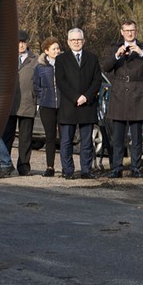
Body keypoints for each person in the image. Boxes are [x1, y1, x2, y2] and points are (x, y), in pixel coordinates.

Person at [101, 20, 143, 179]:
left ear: (136, 31)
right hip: (119, 94)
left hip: (137, 93)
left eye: (132, 30)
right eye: (126, 30)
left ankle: (135, 167)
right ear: (122, 32)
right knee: (118, 137)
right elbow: (105, 67)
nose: (129, 33)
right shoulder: (115, 47)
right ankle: (116, 167)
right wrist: (116, 55)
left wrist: (142, 53)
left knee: (136, 136)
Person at [55, 28, 102, 179]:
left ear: (84, 41)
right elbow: (61, 81)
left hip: (87, 106)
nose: (76, 42)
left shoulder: (92, 58)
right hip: (69, 106)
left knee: (87, 142)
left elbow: (97, 81)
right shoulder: (61, 59)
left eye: (79, 39)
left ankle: (86, 170)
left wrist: (86, 97)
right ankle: (67, 170)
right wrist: (76, 97)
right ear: (68, 42)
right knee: (66, 141)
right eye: (73, 40)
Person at [1, 30, 38, 176]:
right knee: (7, 136)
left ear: (27, 43)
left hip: (28, 102)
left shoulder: (35, 59)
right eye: (18, 42)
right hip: (9, 104)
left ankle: (23, 166)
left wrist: (37, 99)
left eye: (23, 42)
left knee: (25, 138)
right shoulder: (7, 58)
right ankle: (5, 164)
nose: (21, 45)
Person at [33, 37, 62, 177]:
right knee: (50, 137)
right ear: (46, 51)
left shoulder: (64, 64)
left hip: (63, 105)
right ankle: (50, 167)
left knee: (65, 136)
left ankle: (66, 167)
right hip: (47, 105)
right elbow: (36, 85)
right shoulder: (40, 67)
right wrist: (43, 95)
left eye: (58, 48)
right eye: (54, 49)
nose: (57, 51)